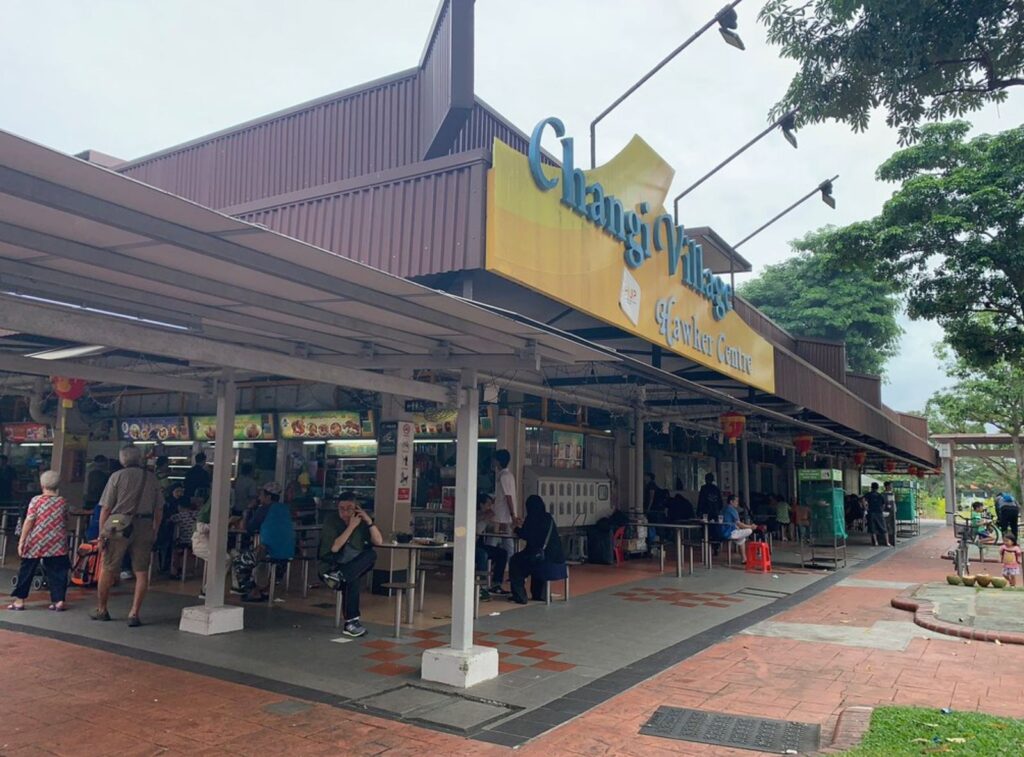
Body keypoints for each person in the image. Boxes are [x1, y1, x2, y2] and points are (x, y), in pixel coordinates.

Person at [90, 446, 162, 626]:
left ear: (122, 460)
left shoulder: (116, 477)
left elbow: (105, 508)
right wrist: (154, 529)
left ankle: (102, 609)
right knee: (141, 572)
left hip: (117, 525)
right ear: (139, 459)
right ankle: (134, 613)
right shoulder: (152, 478)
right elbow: (159, 508)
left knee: (107, 568)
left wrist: (101, 534)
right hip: (144, 525)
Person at [318, 492, 382, 637]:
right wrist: (351, 527)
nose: (345, 512)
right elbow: (334, 548)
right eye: (342, 509)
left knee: (370, 555)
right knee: (352, 578)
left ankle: (340, 576)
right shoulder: (332, 521)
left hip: (348, 568)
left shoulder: (362, 522)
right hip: (331, 566)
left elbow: (378, 541)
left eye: (349, 509)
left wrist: (368, 521)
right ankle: (351, 622)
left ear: (356, 509)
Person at [8, 470, 69, 611]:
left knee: (26, 569)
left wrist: (22, 540)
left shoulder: (36, 500)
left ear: (42, 485)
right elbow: (66, 521)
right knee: (58, 571)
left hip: (37, 540)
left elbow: (29, 521)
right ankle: (58, 600)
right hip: (57, 542)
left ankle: (19, 601)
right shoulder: (63, 502)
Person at [233, 482, 295, 602]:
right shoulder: (285, 508)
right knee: (277, 565)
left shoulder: (264, 509)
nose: (259, 498)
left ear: (269, 497)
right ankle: (266, 590)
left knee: (239, 563)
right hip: (288, 551)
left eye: (261, 495)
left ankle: (253, 591)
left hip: (269, 550)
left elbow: (249, 529)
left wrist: (248, 511)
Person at [507, 494, 564, 605]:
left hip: (541, 558)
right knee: (533, 561)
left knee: (515, 561)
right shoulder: (548, 517)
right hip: (557, 560)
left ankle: (520, 596)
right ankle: (539, 594)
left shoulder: (531, 517)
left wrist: (516, 528)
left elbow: (526, 535)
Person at [475, 493, 508, 599]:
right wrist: (484, 519)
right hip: (471, 546)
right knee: (483, 555)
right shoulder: (476, 515)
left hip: (481, 544)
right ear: (481, 505)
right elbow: (476, 530)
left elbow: (492, 529)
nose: (490, 507)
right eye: (488, 504)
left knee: (502, 553)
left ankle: (496, 584)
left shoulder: (487, 515)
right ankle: (482, 587)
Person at [491, 449, 519, 559]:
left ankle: (489, 562)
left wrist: (512, 514)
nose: (493, 462)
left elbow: (508, 497)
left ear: (498, 461)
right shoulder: (508, 475)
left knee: (494, 540)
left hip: (502, 515)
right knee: (507, 542)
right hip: (504, 514)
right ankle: (511, 564)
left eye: (494, 460)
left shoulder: (503, 477)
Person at [169, 494, 200, 579]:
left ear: (179, 506)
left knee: (175, 548)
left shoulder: (179, 516)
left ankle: (175, 570)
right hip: (197, 540)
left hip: (185, 541)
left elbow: (170, 520)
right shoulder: (198, 514)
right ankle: (189, 570)